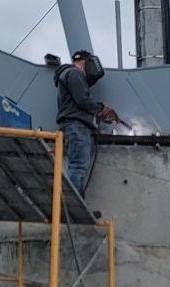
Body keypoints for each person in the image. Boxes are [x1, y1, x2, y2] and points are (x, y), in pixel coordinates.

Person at [51, 50, 117, 195]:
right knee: (78, 166)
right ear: (85, 62)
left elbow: (78, 103)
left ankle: (74, 205)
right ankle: (73, 207)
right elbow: (83, 100)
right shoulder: (74, 73)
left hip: (73, 126)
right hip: (76, 127)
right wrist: (102, 108)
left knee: (77, 166)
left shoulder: (68, 74)